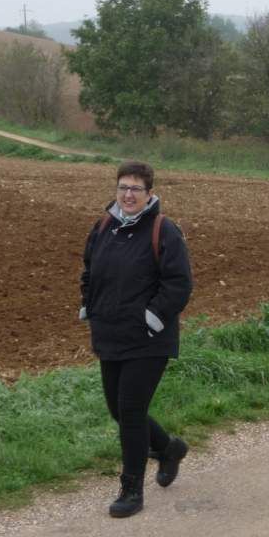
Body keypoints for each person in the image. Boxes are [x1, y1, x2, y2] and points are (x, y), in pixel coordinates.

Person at [79, 161, 193, 518]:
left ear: (149, 194)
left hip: (148, 339)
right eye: (123, 188)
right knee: (118, 408)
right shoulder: (103, 228)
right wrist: (88, 305)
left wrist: (152, 318)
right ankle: (167, 447)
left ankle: (131, 490)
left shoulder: (163, 230)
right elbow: (89, 269)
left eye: (136, 189)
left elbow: (179, 284)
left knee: (129, 411)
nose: (128, 195)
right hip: (110, 333)